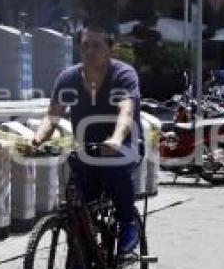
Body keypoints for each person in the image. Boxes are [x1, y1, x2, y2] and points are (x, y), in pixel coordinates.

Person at [32, 26, 142, 255]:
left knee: (116, 167)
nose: (89, 51)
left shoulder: (123, 75)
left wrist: (115, 140)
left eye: (96, 46)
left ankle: (128, 223)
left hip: (122, 144)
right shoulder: (68, 78)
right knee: (76, 210)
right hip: (87, 149)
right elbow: (52, 116)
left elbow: (126, 113)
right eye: (84, 46)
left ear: (110, 50)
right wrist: (37, 138)